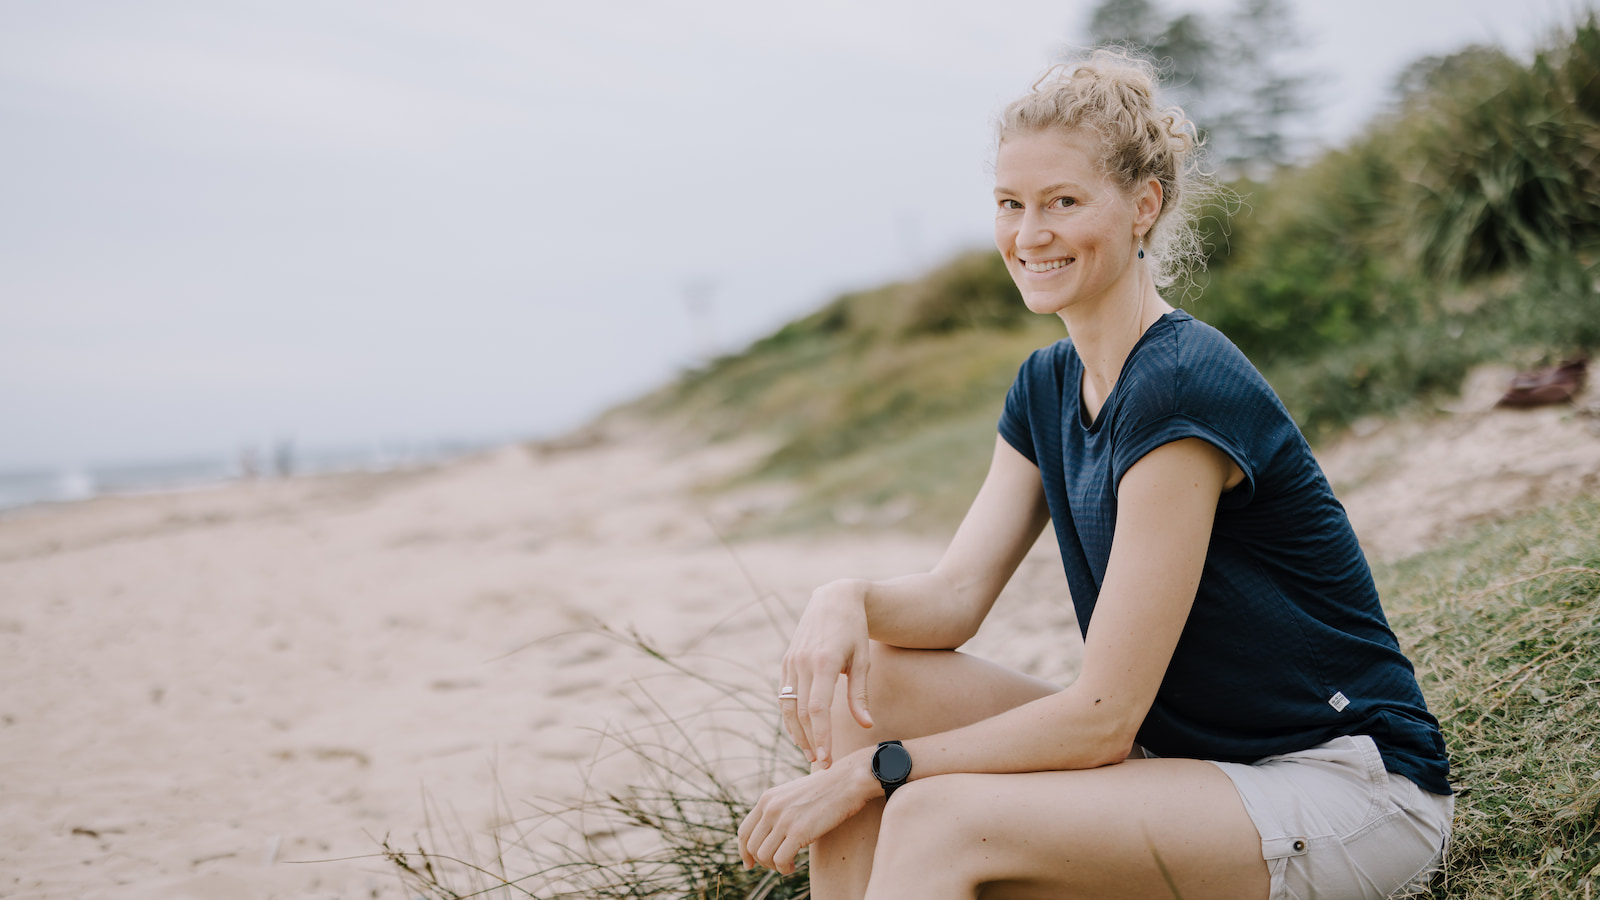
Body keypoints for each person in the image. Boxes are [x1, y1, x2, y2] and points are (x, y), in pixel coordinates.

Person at [735, 50, 1453, 900]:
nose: (1028, 235)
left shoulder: (1180, 385)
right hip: (1191, 763)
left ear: (1144, 206)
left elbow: (1103, 720)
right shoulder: (1047, 384)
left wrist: (883, 773)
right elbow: (954, 597)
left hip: (1346, 789)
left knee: (933, 816)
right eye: (1011, 205)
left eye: (1063, 203)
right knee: (871, 678)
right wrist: (843, 599)